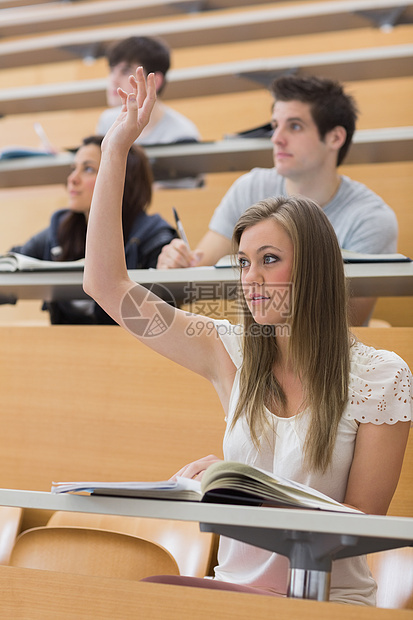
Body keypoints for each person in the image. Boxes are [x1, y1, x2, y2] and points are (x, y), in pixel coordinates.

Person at [83, 69, 411, 605]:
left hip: (329, 603)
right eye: (242, 263)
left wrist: (241, 485)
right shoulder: (225, 348)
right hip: (233, 596)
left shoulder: (382, 377)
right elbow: (105, 284)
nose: (249, 280)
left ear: (315, 271)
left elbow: (361, 531)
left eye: (270, 260)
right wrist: (117, 146)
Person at [156, 75, 399, 326]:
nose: (276, 138)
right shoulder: (249, 187)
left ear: (335, 138)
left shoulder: (371, 218)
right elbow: (200, 268)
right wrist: (177, 263)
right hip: (256, 344)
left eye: (294, 126)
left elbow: (345, 322)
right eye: (275, 125)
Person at [11, 135, 177, 324]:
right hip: (64, 348)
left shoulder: (153, 236)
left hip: (129, 349)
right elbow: (12, 262)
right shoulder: (60, 230)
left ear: (122, 179)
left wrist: (170, 271)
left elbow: (168, 309)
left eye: (88, 169)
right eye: (74, 169)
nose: (72, 179)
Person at [97, 36, 200, 146]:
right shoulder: (107, 121)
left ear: (155, 81)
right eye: (112, 71)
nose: (113, 80)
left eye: (125, 71)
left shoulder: (182, 135)